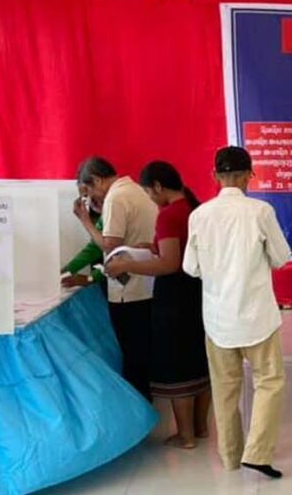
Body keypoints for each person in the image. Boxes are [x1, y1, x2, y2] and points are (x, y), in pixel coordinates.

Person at [183, 146, 290, 479]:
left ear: (214, 175)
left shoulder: (199, 215)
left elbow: (190, 267)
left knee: (225, 389)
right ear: (249, 175)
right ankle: (257, 452)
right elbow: (282, 257)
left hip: (218, 319)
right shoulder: (260, 211)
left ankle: (230, 457)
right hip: (258, 315)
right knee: (269, 382)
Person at [105, 161, 211, 450]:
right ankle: (201, 427)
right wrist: (149, 247)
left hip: (174, 298)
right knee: (198, 359)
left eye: (150, 193)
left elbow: (169, 263)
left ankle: (185, 435)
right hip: (197, 292)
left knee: (176, 363)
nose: (150, 199)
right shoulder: (193, 208)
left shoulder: (168, 215)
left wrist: (127, 264)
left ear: (158, 187)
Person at [77, 156, 159, 400]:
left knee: (131, 354)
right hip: (146, 282)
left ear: (97, 180)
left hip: (127, 289)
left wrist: (85, 220)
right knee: (142, 352)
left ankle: (137, 410)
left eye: (89, 190)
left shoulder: (116, 197)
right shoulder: (135, 190)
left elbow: (109, 243)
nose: (92, 198)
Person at [61, 182, 106, 289]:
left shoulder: (113, 210)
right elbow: (94, 248)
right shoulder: (100, 213)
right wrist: (67, 270)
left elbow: (117, 255)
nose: (88, 200)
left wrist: (90, 278)